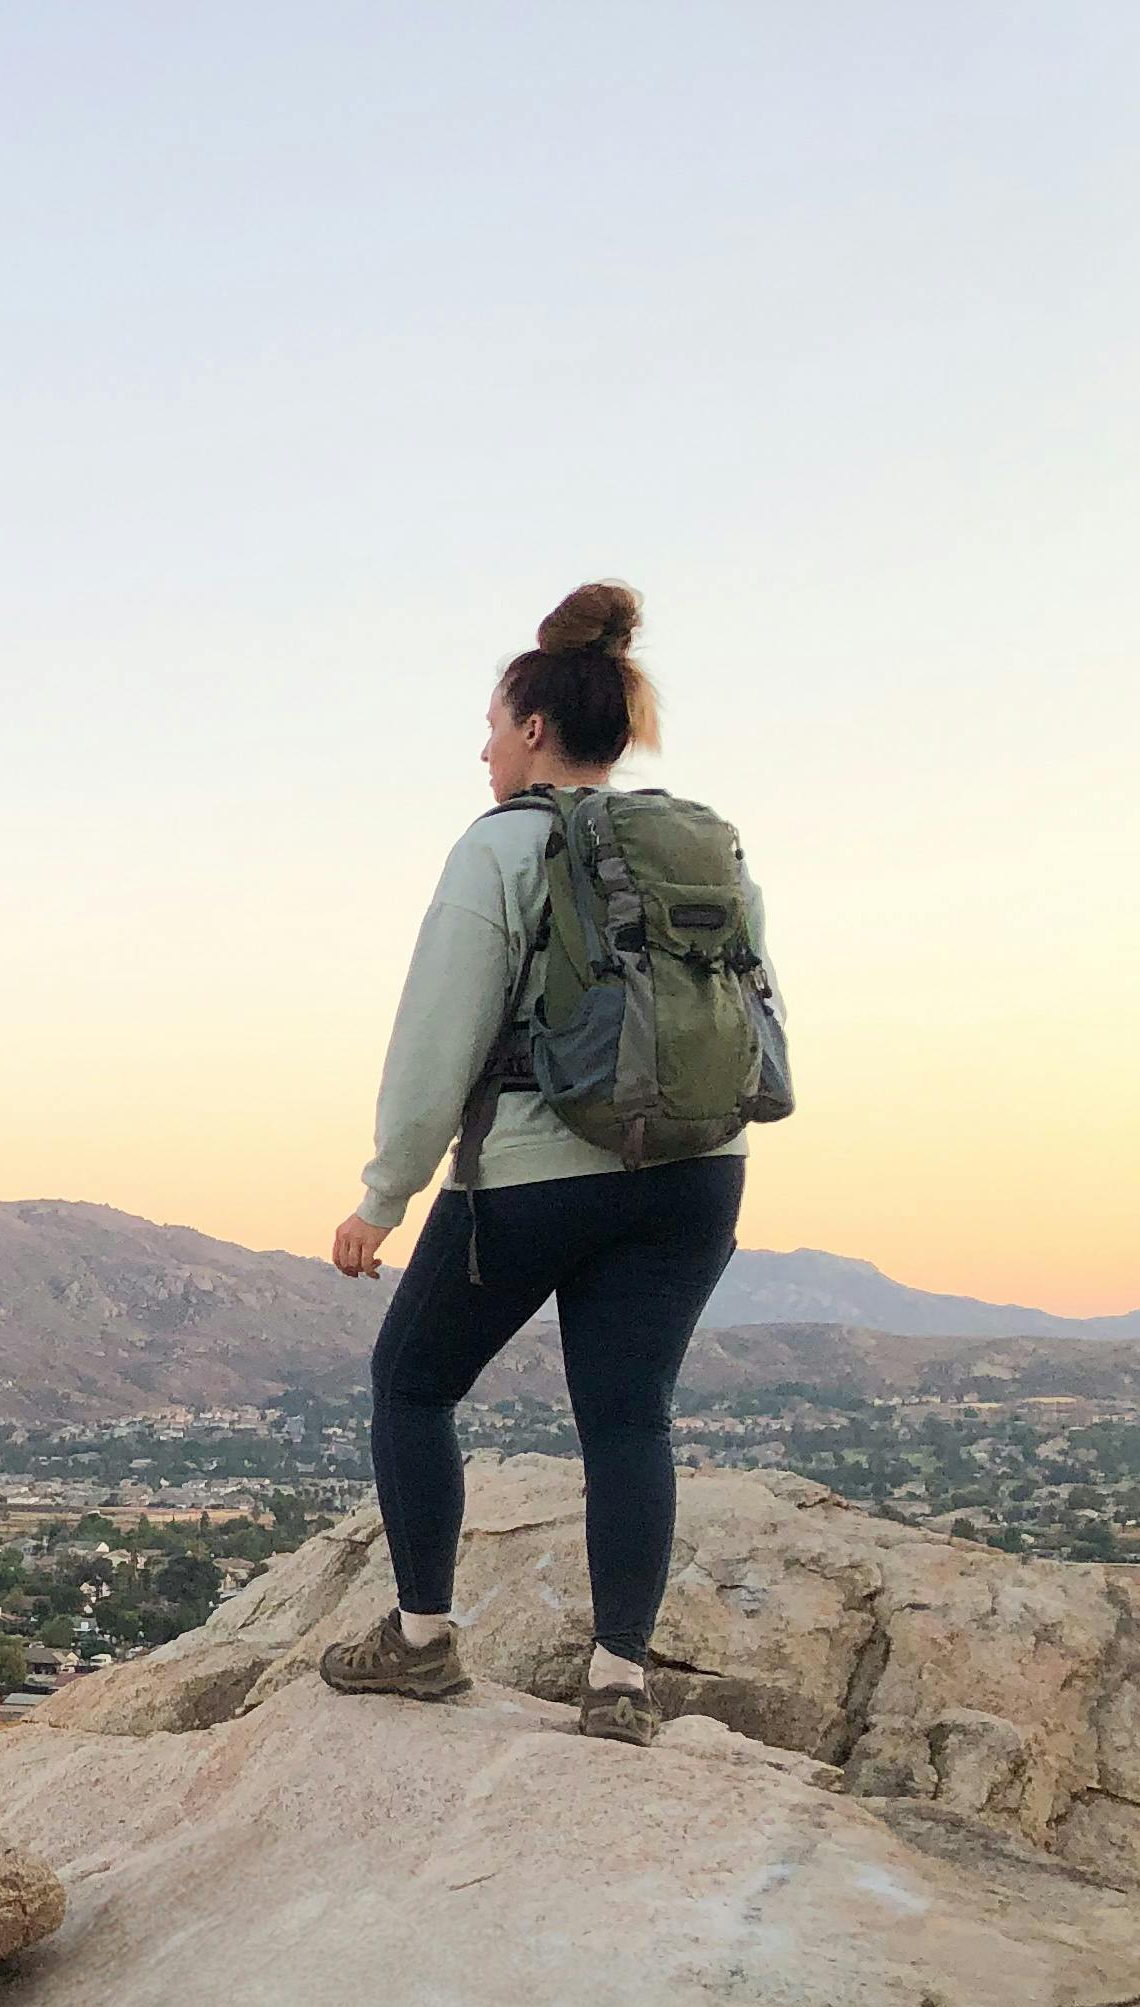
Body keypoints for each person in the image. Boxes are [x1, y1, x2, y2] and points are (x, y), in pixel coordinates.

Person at [318, 583, 753, 1746]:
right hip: (701, 1173)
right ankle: (618, 1683)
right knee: (628, 1421)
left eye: (491, 724)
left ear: (530, 730)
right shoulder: (692, 843)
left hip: (536, 1174)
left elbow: (436, 1038)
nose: (481, 747)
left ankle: (419, 1643)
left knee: (411, 1385)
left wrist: (382, 1197)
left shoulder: (503, 846)